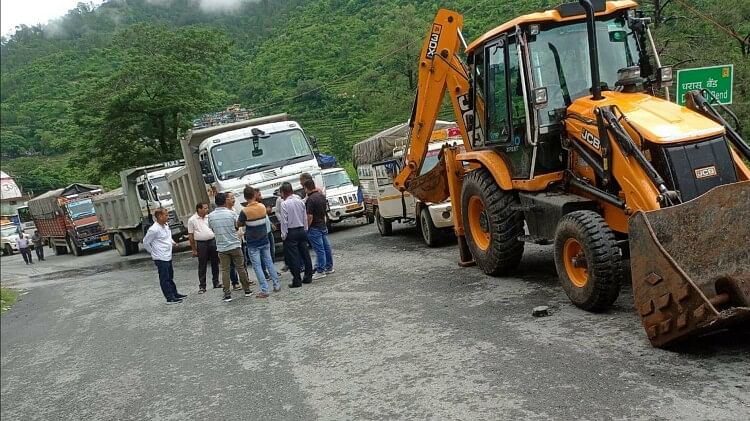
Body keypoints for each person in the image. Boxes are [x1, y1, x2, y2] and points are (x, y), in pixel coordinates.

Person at [207, 192, 253, 302]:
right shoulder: (231, 213)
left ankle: (227, 294)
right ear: (224, 201)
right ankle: (247, 290)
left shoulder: (211, 216)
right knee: (240, 268)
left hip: (222, 247)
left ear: (215, 202)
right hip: (235, 244)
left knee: (225, 270)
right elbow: (238, 225)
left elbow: (211, 228)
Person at [239, 186, 280, 297]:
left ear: (245, 197)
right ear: (254, 195)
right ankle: (276, 284)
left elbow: (239, 224)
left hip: (253, 242)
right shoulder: (262, 207)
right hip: (264, 239)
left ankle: (264, 289)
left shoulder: (244, 211)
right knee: (269, 261)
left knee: (257, 266)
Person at [143, 208, 187, 304]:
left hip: (168, 255)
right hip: (160, 257)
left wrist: (173, 242)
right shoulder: (153, 229)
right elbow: (146, 242)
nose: (168, 217)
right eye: (166, 215)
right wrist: (153, 252)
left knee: (170, 276)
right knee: (164, 278)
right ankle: (169, 297)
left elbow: (167, 237)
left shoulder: (166, 226)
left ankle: (174, 293)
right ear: (159, 216)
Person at [278, 182, 313, 288]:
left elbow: (284, 221)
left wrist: (284, 235)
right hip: (301, 229)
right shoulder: (300, 201)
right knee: (305, 254)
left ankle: (296, 280)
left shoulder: (284, 204)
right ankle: (308, 276)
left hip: (291, 231)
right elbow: (304, 216)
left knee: (294, 257)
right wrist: (305, 229)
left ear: (283, 193)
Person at [304, 178, 334, 279]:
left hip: (314, 227)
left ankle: (320, 270)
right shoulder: (321, 196)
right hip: (322, 224)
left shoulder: (310, 200)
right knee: (326, 247)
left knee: (319, 249)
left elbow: (310, 216)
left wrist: (307, 227)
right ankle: (329, 267)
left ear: (306, 188)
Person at [188, 202, 220, 293]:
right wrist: (194, 249)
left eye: (207, 208)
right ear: (199, 209)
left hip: (212, 241)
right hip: (201, 243)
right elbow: (190, 235)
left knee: (215, 262)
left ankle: (216, 282)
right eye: (205, 208)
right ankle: (202, 286)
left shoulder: (209, 217)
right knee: (202, 264)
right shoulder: (192, 220)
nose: (207, 210)